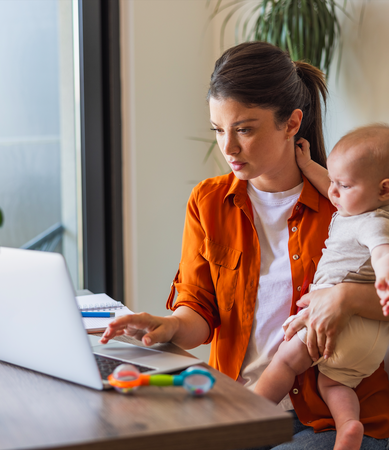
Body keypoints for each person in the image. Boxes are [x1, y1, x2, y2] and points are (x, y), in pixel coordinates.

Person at [100, 42, 389, 449]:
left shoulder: (349, 204)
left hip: (331, 418)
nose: (228, 148)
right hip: (237, 407)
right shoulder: (209, 201)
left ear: (292, 123)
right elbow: (199, 309)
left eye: (244, 129)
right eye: (219, 130)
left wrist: (344, 298)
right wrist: (169, 327)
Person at [254, 125, 389, 450]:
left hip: (343, 323)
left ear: (385, 190)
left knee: (285, 361)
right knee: (334, 382)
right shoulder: (355, 204)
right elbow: (327, 183)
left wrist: (385, 276)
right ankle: (347, 427)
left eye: (344, 185)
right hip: (369, 340)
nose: (334, 192)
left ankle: (245, 411)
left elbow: (382, 250)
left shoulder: (373, 222)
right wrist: (307, 165)